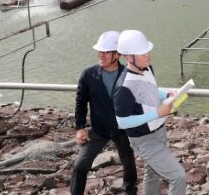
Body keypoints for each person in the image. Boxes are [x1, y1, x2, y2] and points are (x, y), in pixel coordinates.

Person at [113, 30, 187, 195]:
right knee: (178, 177)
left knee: (152, 173)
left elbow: (150, 90)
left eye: (147, 51)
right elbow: (122, 122)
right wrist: (157, 114)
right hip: (143, 139)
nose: (148, 55)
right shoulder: (123, 87)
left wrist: (165, 94)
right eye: (142, 53)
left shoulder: (147, 68)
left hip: (159, 132)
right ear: (128, 57)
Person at [70, 31, 138, 195]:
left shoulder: (129, 74)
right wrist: (80, 127)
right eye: (99, 51)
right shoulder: (89, 74)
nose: (100, 55)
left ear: (118, 54)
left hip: (122, 129)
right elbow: (81, 101)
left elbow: (137, 103)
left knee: (128, 162)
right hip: (98, 129)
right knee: (79, 166)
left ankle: (130, 191)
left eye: (106, 52)